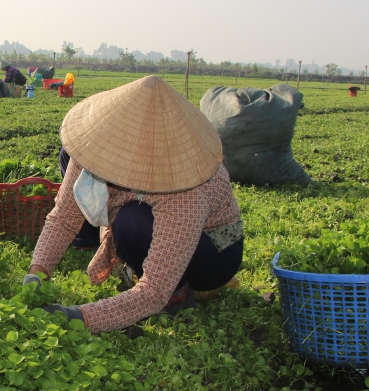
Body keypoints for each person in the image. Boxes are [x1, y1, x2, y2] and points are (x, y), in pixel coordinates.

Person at [25, 75, 244, 333]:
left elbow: (154, 290)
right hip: (157, 226)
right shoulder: (94, 146)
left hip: (211, 254)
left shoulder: (187, 184)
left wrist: (77, 317)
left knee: (131, 222)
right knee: (127, 219)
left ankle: (180, 293)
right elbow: (63, 218)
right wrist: (36, 274)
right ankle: (137, 262)